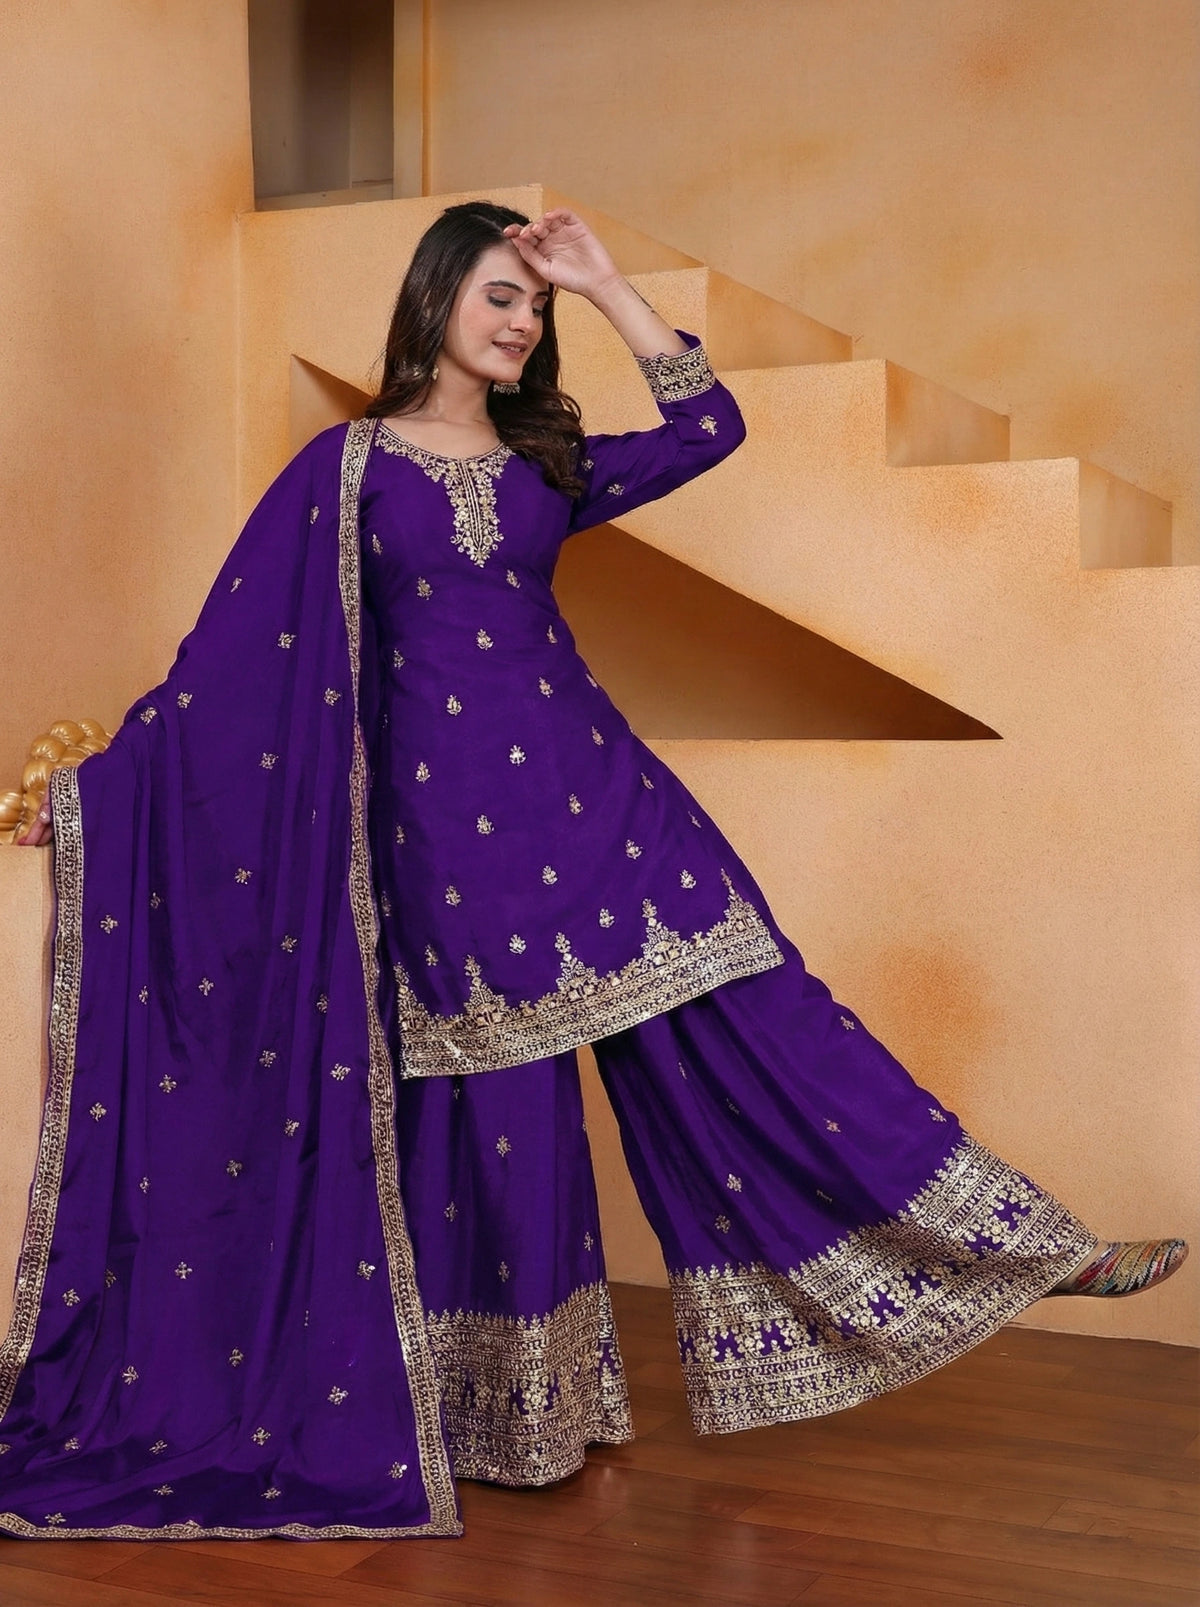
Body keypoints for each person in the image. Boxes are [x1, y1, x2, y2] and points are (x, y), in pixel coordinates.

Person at [0, 202, 1185, 1541]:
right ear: (437, 296)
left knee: (772, 1018)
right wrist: (102, 784)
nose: (520, 323)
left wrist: (609, 287)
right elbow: (230, 658)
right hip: (450, 848)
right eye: (501, 296)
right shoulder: (347, 468)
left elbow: (708, 431)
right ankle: (504, 1408)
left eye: (534, 306)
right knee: (490, 1113)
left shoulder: (544, 464)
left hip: (609, 804)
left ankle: (1030, 1247)